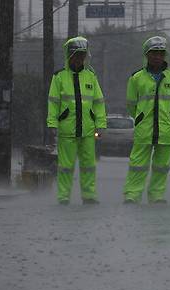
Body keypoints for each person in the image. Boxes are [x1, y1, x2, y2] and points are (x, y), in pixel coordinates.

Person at [47, 36, 106, 205]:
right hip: (67, 130)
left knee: (89, 166)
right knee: (65, 167)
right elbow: (53, 102)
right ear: (69, 56)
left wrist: (100, 124)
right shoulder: (59, 77)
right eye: (77, 55)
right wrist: (52, 123)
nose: (80, 59)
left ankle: (89, 195)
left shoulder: (91, 77)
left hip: (87, 130)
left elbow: (99, 102)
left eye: (82, 55)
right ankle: (63, 196)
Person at [123, 36, 170, 204]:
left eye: (160, 53)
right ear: (146, 55)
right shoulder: (136, 78)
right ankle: (132, 195)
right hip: (144, 129)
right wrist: (140, 118)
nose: (157, 56)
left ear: (165, 55)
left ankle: (156, 195)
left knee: (162, 167)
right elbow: (131, 104)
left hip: (166, 129)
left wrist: (167, 117)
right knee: (137, 164)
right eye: (153, 53)